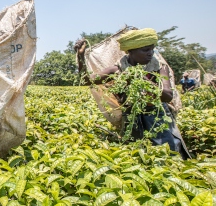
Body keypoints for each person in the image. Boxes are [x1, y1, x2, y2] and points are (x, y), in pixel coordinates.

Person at [76, 28, 190, 159]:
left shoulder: (159, 67)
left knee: (168, 153)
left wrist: (144, 80)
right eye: (145, 50)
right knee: (137, 155)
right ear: (131, 51)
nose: (150, 53)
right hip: (132, 119)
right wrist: (80, 57)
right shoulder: (118, 69)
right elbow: (87, 81)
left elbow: (167, 96)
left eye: (152, 49)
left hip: (157, 117)